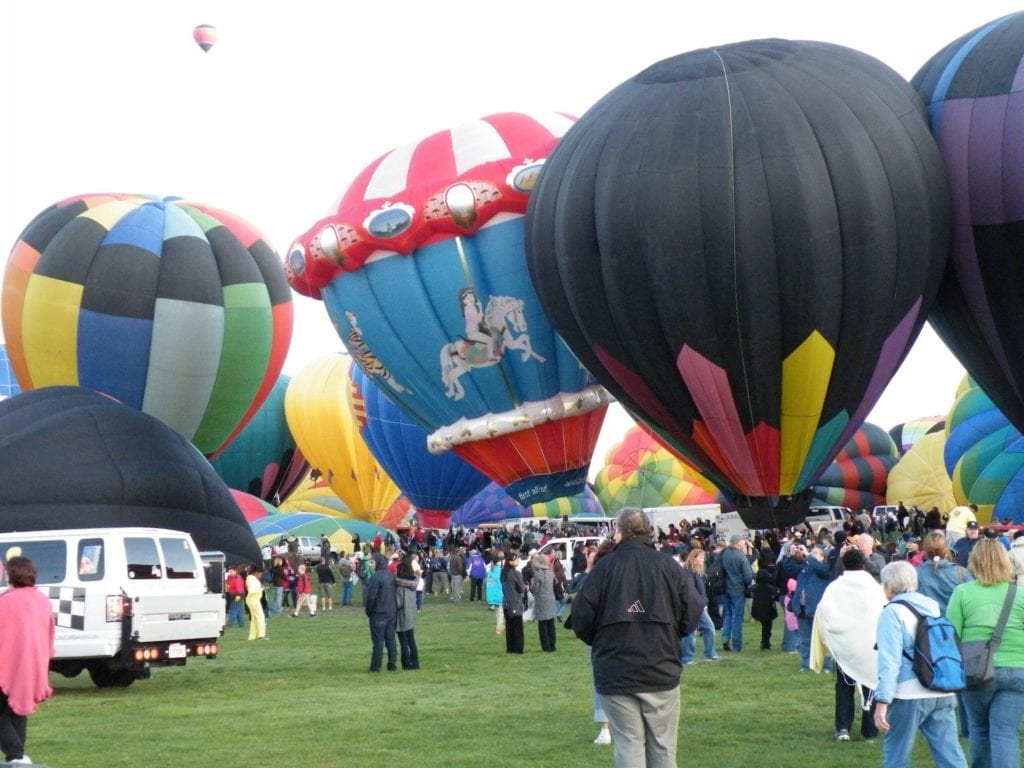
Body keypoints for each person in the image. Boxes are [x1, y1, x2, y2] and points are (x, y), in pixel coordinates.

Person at [571, 507, 703, 768]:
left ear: (618, 533)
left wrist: (603, 641)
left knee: (629, 744)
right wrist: (672, 633)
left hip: (617, 669)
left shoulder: (604, 568)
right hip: (660, 666)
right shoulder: (668, 566)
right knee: (663, 746)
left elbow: (581, 617)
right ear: (648, 532)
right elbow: (693, 609)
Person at [873, 561, 967, 768]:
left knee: (896, 754)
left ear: (889, 586)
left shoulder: (892, 612)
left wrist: (882, 701)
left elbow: (890, 661)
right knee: (950, 754)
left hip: (909, 691)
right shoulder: (931, 607)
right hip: (940, 687)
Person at [946, 538, 1024, 768]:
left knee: (979, 729)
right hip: (1017, 669)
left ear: (974, 561)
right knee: (1005, 733)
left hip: (976, 669)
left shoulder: (962, 593)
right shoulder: (1019, 595)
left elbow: (951, 635)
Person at [812, 547, 885, 743]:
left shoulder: (835, 587)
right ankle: (870, 731)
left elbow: (823, 611)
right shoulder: (874, 587)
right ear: (863, 564)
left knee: (844, 686)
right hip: (869, 645)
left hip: (845, 645)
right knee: (871, 685)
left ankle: (843, 727)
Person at [0, 556, 55, 765]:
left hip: (6, 666)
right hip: (32, 665)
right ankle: (17, 757)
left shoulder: (5, 602)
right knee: (16, 709)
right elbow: (48, 634)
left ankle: (16, 755)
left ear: (10, 574)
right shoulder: (42, 600)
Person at [793, 545, 833, 672]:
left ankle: (827, 665)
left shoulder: (824, 568)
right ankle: (806, 664)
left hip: (817, 609)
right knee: (805, 639)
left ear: (822, 557)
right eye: (812, 552)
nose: (811, 554)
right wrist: (792, 554)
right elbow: (788, 569)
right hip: (802, 608)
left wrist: (809, 556)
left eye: (816, 553)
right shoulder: (805, 568)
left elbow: (821, 570)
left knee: (824, 639)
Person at [678, 548, 721, 663]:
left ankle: (710, 654)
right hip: (692, 606)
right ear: (693, 558)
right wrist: (701, 602)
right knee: (690, 631)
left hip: (699, 605)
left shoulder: (697, 572)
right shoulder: (688, 572)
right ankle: (687, 658)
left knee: (709, 628)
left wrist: (704, 601)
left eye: (703, 557)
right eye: (700, 557)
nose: (703, 560)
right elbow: (690, 591)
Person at [720, 532, 754, 652]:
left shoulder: (724, 554)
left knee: (728, 614)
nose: (744, 545)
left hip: (725, 588)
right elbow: (748, 576)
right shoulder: (740, 557)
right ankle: (736, 645)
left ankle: (725, 637)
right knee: (737, 617)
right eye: (743, 543)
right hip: (737, 589)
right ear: (737, 543)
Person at [364, 552, 398, 672]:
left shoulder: (375, 577)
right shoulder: (390, 575)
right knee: (390, 639)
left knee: (378, 641)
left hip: (379, 613)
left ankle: (375, 667)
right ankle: (392, 664)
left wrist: (368, 610)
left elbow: (371, 597)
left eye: (372, 562)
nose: (371, 565)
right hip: (391, 612)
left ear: (378, 563)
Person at [395, 556, 420, 670]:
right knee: (411, 640)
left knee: (403, 641)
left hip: (402, 615)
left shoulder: (400, 586)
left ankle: (406, 664)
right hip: (411, 613)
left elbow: (399, 602)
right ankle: (415, 662)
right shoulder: (413, 583)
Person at [530, 553, 557, 652]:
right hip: (551, 598)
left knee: (542, 624)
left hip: (541, 599)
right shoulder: (551, 572)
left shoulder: (538, 574)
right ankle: (552, 645)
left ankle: (546, 647)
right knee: (550, 623)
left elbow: (535, 589)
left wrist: (531, 587)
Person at [500, 552, 527, 654]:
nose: (518, 560)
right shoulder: (516, 573)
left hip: (506, 602)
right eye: (516, 559)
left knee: (509, 627)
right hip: (515, 602)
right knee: (517, 628)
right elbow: (521, 588)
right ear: (510, 562)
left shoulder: (503, 573)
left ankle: (510, 649)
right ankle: (518, 649)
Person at [750, 566, 779, 651]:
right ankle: (766, 644)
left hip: (758, 610)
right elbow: (776, 595)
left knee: (765, 627)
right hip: (768, 611)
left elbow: (747, 593)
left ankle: (765, 643)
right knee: (767, 628)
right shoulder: (770, 588)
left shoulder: (754, 588)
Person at [485, 552, 505, 634]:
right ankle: (499, 628)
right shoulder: (500, 571)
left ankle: (501, 627)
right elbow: (501, 584)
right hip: (499, 594)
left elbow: (488, 584)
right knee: (501, 613)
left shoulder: (490, 571)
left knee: (497, 613)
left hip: (492, 595)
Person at [246, 565, 267, 640]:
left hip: (253, 600)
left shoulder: (251, 578)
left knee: (254, 618)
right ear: (257, 572)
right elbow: (251, 590)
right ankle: (261, 635)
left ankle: (252, 636)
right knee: (260, 617)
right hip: (253, 600)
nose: (261, 575)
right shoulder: (251, 579)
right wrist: (261, 589)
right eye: (261, 573)